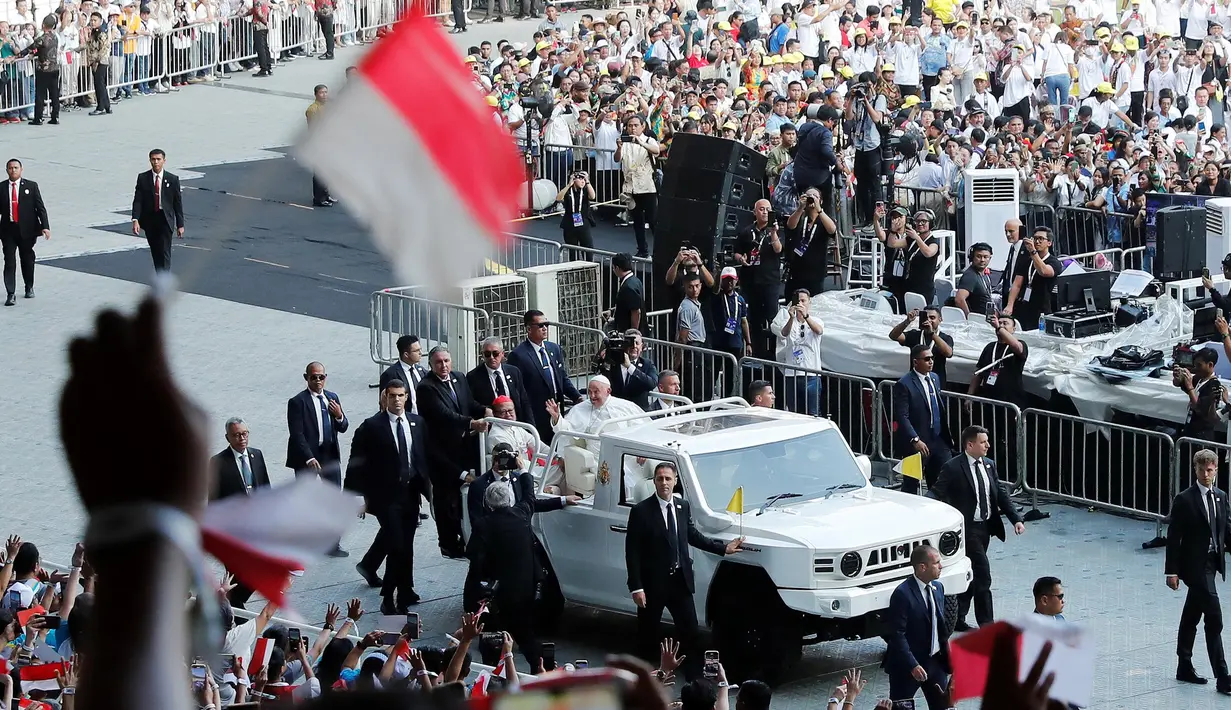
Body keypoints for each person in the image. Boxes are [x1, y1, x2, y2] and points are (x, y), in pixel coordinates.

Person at [625, 462, 743, 678]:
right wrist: (636, 587)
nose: (664, 483)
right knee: (647, 634)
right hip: (653, 585)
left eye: (668, 479)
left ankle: (694, 682)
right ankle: (643, 680)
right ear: (654, 482)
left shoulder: (682, 506)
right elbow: (632, 552)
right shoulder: (641, 511)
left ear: (675, 481)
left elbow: (692, 535)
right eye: (659, 479)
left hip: (680, 581)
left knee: (690, 632)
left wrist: (723, 548)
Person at [344, 379, 431, 614]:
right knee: (397, 546)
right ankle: (388, 599)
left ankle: (404, 590)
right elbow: (355, 463)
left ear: (406, 397)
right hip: (386, 497)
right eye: (392, 395)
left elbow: (422, 456)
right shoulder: (371, 426)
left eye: (401, 395)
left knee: (407, 545)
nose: (397, 400)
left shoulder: (417, 422)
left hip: (411, 493)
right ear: (385, 398)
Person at [930, 425, 1025, 630]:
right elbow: (937, 491)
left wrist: (1016, 518)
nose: (988, 445)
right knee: (983, 574)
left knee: (971, 575)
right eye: (983, 442)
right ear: (970, 444)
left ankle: (958, 618)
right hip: (968, 529)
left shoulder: (989, 465)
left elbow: (1000, 493)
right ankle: (987, 625)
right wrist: (921, 508)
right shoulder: (953, 467)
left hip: (986, 528)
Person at [1167, 448, 1231, 693]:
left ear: (1216, 470)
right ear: (1195, 470)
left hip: (1212, 564)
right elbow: (1174, 537)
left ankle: (1184, 664)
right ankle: (1223, 675)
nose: (1206, 474)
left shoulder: (1221, 496)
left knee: (1192, 614)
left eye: (1210, 469)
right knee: (1214, 617)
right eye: (1202, 469)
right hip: (1194, 566)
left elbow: (1227, 528)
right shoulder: (1185, 499)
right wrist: (1171, 571)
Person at [418, 346, 488, 559]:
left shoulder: (459, 377)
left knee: (462, 497)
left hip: (463, 448)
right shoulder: (426, 387)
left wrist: (484, 410)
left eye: (447, 361)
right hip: (441, 451)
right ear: (431, 365)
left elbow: (468, 403)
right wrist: (471, 423)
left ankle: (462, 537)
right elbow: (443, 415)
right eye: (439, 362)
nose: (444, 366)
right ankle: (447, 543)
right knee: (445, 499)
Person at [466, 482, 542, 670]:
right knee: (526, 635)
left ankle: (493, 675)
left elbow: (474, 556)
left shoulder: (483, 525)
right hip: (523, 589)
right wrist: (525, 474)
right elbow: (529, 498)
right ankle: (540, 670)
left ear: (487, 503)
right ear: (509, 499)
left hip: (496, 593)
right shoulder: (522, 514)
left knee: (491, 637)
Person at [286, 361, 349, 556]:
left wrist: (339, 415)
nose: (318, 380)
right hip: (308, 458)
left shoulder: (332, 398)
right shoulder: (298, 402)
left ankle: (332, 544)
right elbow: (297, 434)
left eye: (321, 376)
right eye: (314, 377)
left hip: (329, 455)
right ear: (306, 378)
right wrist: (309, 458)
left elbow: (344, 426)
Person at [208, 417, 271, 608]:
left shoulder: (256, 455)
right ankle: (235, 611)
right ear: (228, 438)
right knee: (238, 576)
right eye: (236, 435)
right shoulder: (218, 462)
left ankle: (232, 602)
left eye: (244, 434)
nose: (241, 438)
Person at [883, 545, 951, 710]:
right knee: (902, 707)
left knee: (943, 706)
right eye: (936, 563)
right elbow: (897, 634)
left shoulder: (938, 588)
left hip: (935, 663)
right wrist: (912, 664)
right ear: (922, 567)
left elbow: (940, 627)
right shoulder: (902, 594)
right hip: (907, 668)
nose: (941, 566)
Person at [506, 309, 583, 444]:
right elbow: (518, 390)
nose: (545, 328)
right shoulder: (518, 355)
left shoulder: (553, 348)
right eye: (540, 325)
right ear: (529, 329)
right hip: (536, 413)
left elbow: (562, 377)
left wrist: (577, 397)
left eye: (546, 324)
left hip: (557, 409)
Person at [893, 344, 952, 496]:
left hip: (938, 438)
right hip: (917, 441)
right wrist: (915, 439)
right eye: (926, 359)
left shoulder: (935, 378)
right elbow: (902, 416)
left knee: (941, 480)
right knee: (911, 483)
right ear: (915, 362)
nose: (931, 362)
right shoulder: (904, 384)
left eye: (932, 358)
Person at [733, 199, 783, 357]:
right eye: (761, 209)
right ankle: (757, 352)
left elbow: (778, 250)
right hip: (751, 281)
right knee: (754, 319)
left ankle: (775, 353)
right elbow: (736, 252)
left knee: (773, 318)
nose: (765, 212)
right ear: (755, 212)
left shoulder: (774, 230)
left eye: (768, 209)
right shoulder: (746, 232)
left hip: (770, 281)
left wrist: (774, 233)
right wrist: (741, 259)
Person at [0, 158, 50, 307]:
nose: (13, 170)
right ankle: (11, 293)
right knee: (9, 261)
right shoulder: (1, 188)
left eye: (16, 167)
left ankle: (29, 286)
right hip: (8, 230)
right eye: (10, 168)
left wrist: (45, 226)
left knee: (27, 259)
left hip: (27, 230)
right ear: (7, 170)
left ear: (21, 169)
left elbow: (40, 208)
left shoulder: (31, 186)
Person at [130, 149, 185, 273]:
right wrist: (135, 219)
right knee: (155, 250)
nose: (156, 162)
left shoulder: (172, 179)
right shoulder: (143, 178)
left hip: (165, 219)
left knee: (165, 250)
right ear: (150, 160)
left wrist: (180, 224)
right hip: (150, 220)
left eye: (158, 159)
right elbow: (138, 200)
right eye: (153, 159)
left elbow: (177, 203)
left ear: (164, 161)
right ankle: (160, 274)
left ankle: (164, 279)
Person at [1004, 226, 1063, 331]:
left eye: (1041, 239)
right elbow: (1017, 284)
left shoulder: (1054, 262)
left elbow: (1044, 271)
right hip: (1023, 306)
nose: (1037, 241)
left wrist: (1033, 252)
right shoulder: (1026, 260)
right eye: (1035, 238)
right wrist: (1010, 305)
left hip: (1042, 308)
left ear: (1049, 243)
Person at [776, 289, 824, 416]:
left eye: (804, 301)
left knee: (813, 412)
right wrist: (791, 318)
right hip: (792, 375)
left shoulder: (817, 320)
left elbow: (818, 331)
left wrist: (806, 316)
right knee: (794, 412)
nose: (801, 303)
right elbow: (784, 333)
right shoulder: (788, 320)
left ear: (809, 302)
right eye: (798, 301)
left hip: (812, 374)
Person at [466, 336, 533, 425]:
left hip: (515, 424)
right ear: (482, 355)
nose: (491, 357)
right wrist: (485, 410)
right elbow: (470, 402)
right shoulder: (473, 376)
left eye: (495, 353)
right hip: (492, 426)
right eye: (487, 354)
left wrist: (530, 426)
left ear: (502, 354)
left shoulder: (514, 372)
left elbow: (524, 401)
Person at [784, 187, 837, 297]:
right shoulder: (801, 217)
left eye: (815, 197)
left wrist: (819, 209)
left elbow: (832, 230)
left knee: (813, 306)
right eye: (809, 196)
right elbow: (790, 225)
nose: (811, 199)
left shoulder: (823, 219)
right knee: (793, 304)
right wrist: (800, 208)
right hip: (796, 271)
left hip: (815, 272)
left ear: (821, 201)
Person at [889, 306, 955, 389]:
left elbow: (948, 353)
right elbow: (893, 336)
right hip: (915, 383)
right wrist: (907, 321)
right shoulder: (915, 334)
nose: (929, 320)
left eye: (932, 318)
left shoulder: (945, 338)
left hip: (936, 383)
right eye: (925, 317)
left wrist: (932, 334)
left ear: (940, 320)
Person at [1176, 348, 1225, 443]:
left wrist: (1190, 387)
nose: (1196, 368)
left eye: (1199, 365)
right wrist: (1178, 378)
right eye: (1195, 365)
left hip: (1202, 435)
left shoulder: (1214, 385)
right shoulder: (1199, 378)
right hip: (1191, 429)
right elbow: (1181, 384)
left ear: (1210, 365)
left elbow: (1199, 407)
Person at [608, 330, 659, 411]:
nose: (634, 346)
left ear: (642, 347)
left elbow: (652, 383)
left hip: (639, 412)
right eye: (630, 343)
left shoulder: (647, 364)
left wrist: (630, 367)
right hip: (617, 411)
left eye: (637, 343)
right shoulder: (613, 363)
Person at [379, 334, 427, 413]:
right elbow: (385, 403)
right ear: (406, 354)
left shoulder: (422, 371)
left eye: (420, 349)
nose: (420, 353)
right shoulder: (390, 374)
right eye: (416, 351)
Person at [306, 85, 336, 207]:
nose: (324, 95)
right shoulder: (312, 109)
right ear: (316, 94)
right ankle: (318, 198)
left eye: (326, 92)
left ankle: (326, 194)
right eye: (321, 92)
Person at [557, 171, 596, 252]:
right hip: (570, 223)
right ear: (574, 179)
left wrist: (588, 181)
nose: (583, 181)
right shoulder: (568, 190)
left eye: (584, 179)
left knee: (588, 250)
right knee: (573, 251)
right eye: (580, 179)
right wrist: (569, 185)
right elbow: (558, 198)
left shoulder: (585, 189)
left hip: (583, 222)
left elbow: (592, 196)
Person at [955, 242, 994, 317]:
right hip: (977, 321)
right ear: (972, 257)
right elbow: (959, 299)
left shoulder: (984, 274)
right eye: (979, 256)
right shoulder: (970, 276)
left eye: (985, 257)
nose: (982, 260)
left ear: (990, 258)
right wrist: (969, 319)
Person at [609, 252, 644, 333]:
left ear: (617, 268)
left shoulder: (628, 287)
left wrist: (632, 334)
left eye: (613, 268)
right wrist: (613, 311)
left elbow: (636, 311)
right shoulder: (636, 281)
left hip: (628, 335)